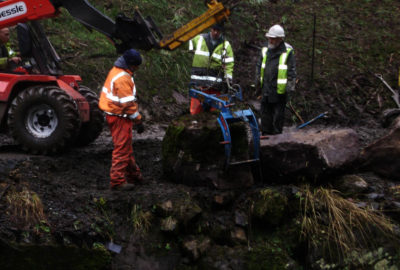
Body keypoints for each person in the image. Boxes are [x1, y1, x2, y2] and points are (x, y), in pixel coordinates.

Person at [99, 48, 145, 191]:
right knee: (121, 149)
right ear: (131, 65)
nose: (137, 69)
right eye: (137, 66)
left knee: (126, 148)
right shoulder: (123, 78)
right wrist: (138, 120)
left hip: (115, 114)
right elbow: (128, 105)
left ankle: (134, 176)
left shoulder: (116, 71)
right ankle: (117, 181)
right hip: (119, 117)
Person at [255, 24, 296, 135]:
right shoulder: (265, 49)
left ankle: (277, 136)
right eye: (269, 38)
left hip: (279, 90)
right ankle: (265, 131)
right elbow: (259, 66)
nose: (270, 40)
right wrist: (258, 83)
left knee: (278, 114)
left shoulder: (287, 51)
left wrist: (289, 88)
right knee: (265, 111)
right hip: (266, 87)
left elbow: (291, 72)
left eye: (273, 38)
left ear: (280, 39)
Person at [188, 23, 234, 114]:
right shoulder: (199, 39)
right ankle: (195, 123)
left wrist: (228, 78)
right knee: (196, 108)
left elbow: (229, 64)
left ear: (221, 32)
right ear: (210, 29)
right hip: (199, 81)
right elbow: (187, 42)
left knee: (215, 110)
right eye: (214, 30)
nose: (216, 32)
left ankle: (213, 124)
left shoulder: (226, 45)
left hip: (215, 84)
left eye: (218, 31)